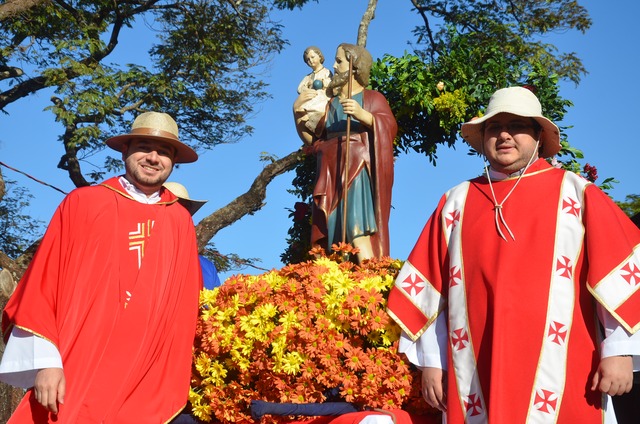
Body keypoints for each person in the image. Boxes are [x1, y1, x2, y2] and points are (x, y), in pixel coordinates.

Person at [386, 86, 640, 422]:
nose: (504, 134)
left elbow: (620, 275)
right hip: (475, 371)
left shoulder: (577, 193)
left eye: (517, 125)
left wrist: (620, 350)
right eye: (494, 127)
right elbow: (429, 292)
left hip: (569, 370)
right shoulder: (456, 203)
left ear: (538, 135)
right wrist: (433, 362)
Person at [0, 111, 203, 422]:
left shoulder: (179, 222)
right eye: (144, 147)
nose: (153, 157)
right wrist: (46, 362)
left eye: (163, 152)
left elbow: (183, 309)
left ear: (174, 161)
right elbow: (43, 283)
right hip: (78, 361)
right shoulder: (84, 203)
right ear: (125, 150)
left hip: (146, 377)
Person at [293, 43, 397, 263]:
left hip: (356, 169)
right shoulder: (332, 104)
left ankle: (372, 281)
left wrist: (363, 115)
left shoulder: (372, 98)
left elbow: (388, 128)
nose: (333, 65)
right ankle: (347, 282)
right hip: (331, 172)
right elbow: (315, 141)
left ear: (355, 66)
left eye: (339, 61)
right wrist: (297, 113)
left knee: (356, 229)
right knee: (335, 236)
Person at [163, 181, 222, 289]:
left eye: (183, 209)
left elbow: (218, 304)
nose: (178, 214)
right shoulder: (137, 252)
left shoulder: (207, 267)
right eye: (170, 206)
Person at [294, 46, 333, 132]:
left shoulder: (326, 72)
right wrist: (307, 90)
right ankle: (305, 114)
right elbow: (300, 88)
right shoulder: (308, 77)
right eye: (308, 60)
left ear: (319, 56)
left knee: (319, 101)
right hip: (312, 96)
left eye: (312, 57)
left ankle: (312, 118)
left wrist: (323, 83)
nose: (310, 61)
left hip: (323, 95)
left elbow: (330, 82)